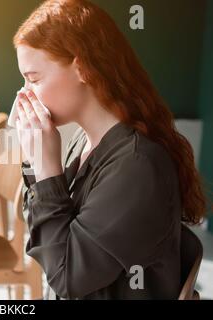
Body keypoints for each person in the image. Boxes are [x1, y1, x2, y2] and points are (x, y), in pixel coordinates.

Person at [12, 0, 207, 299]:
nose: (24, 93)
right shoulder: (84, 139)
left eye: (33, 78)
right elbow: (50, 240)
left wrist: (48, 169)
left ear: (82, 68)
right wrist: (38, 161)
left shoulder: (136, 165)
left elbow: (66, 278)